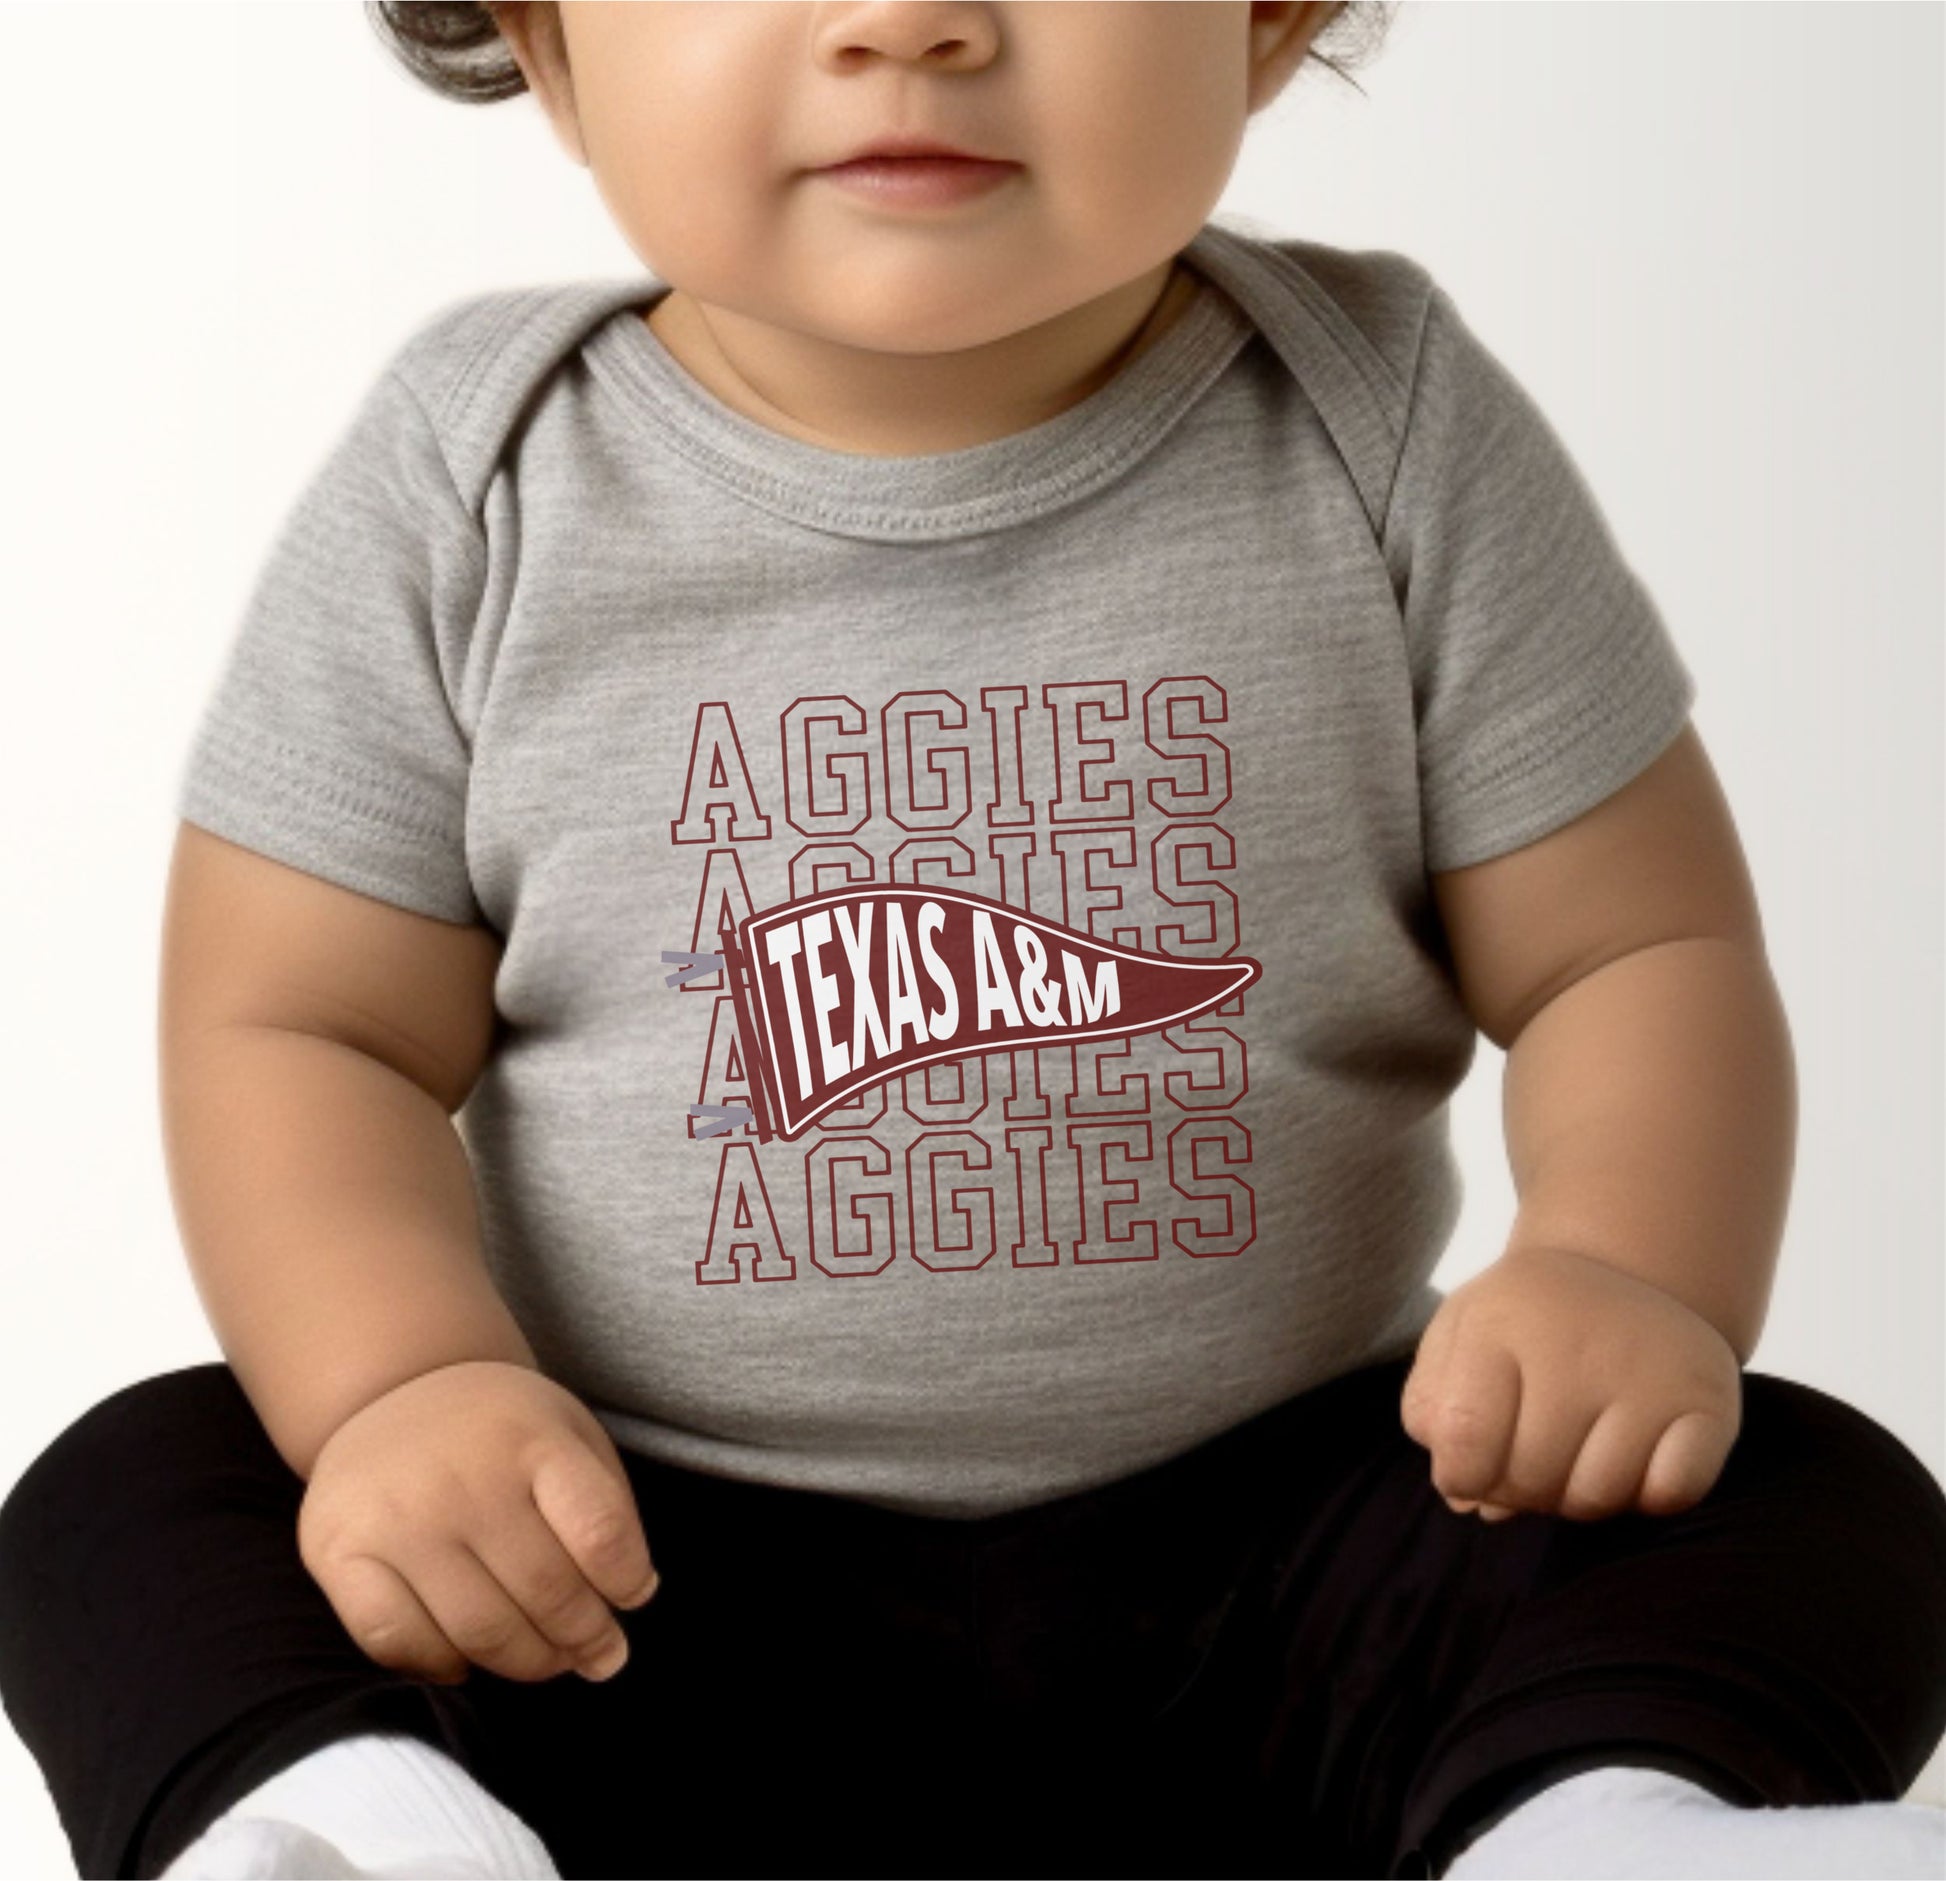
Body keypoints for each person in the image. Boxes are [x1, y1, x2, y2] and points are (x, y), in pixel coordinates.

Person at [2, 4, 1942, 1878]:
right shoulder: (476, 473)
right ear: (539, 37)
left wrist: (1617, 1260)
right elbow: (304, 1026)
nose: (909, 19)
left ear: (1267, 16)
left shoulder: (1387, 426)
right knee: (140, 1494)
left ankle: (1594, 1821)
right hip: (624, 1594)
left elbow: (1627, 948)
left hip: (1294, 1586)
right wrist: (403, 1386)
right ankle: (380, 1836)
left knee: (1814, 1494)